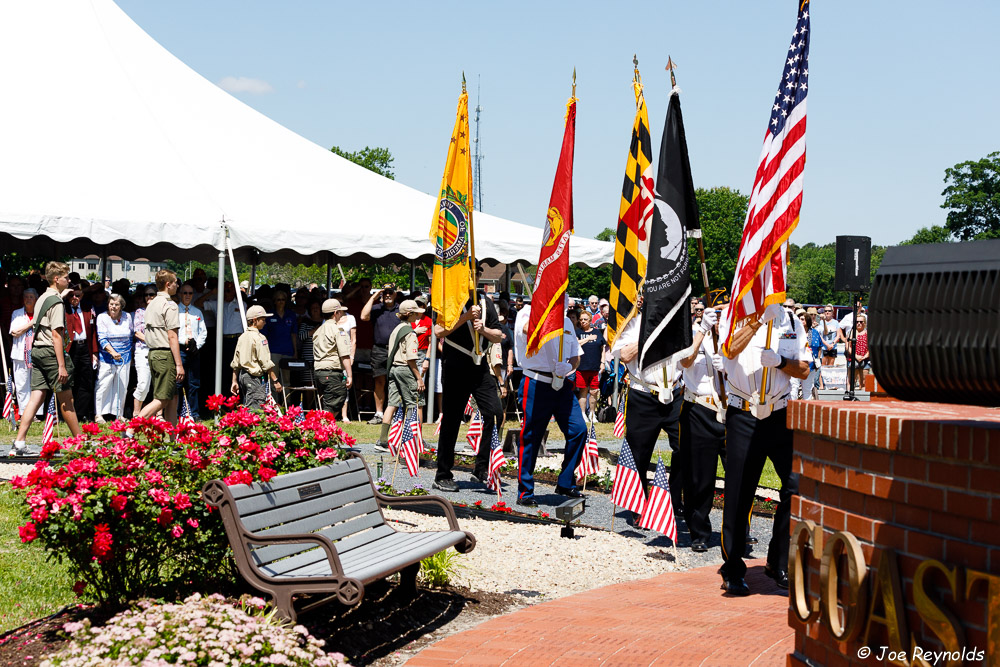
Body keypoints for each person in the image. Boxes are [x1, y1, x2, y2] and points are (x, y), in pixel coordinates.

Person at [719, 304, 810, 595]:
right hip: (744, 412)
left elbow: (805, 370)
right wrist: (759, 321)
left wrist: (781, 361)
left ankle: (778, 561)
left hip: (780, 415)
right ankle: (733, 568)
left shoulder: (792, 321)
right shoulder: (734, 313)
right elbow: (730, 349)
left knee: (797, 485)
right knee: (739, 492)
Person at [610, 298, 686, 513]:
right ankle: (638, 503)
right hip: (644, 394)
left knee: (685, 446)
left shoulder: (679, 323)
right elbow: (624, 355)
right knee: (639, 453)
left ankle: (674, 499)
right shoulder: (632, 324)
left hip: (674, 393)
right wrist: (650, 331)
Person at [513, 299, 587, 506]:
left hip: (562, 383)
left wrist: (570, 367)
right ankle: (525, 491)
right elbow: (528, 330)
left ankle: (565, 481)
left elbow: (576, 356)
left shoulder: (567, 322)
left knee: (578, 430)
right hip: (536, 382)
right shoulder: (528, 312)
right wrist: (550, 316)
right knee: (531, 437)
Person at [433, 278, 504, 492]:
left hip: (479, 366)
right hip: (455, 366)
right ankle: (442, 474)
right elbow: (438, 331)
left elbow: (499, 335)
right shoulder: (450, 300)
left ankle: (481, 468)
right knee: (452, 420)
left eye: (475, 275)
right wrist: (464, 317)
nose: (472, 280)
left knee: (495, 413)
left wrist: (482, 330)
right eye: (469, 275)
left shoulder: (486, 302)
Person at [9, 262, 82, 455]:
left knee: (36, 396)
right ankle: (81, 442)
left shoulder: (42, 298)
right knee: (66, 398)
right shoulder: (56, 302)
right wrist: (61, 365)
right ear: (57, 279)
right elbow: (57, 334)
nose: (69, 280)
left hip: (38, 350)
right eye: (66, 277)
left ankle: (19, 442)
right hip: (51, 351)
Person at [678, 306, 727, 552]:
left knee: (740, 474)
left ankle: (740, 530)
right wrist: (702, 332)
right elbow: (686, 360)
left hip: (733, 409)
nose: (718, 318)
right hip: (700, 409)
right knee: (699, 477)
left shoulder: (733, 334)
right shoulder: (691, 334)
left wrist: (729, 365)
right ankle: (699, 531)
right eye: (714, 314)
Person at [133, 270, 183, 428]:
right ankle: (132, 428)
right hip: (164, 353)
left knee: (172, 397)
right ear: (168, 285)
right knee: (162, 399)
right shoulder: (170, 305)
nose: (177, 285)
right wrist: (179, 364)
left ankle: (173, 439)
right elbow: (172, 336)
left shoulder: (151, 303)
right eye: (175, 282)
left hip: (153, 353)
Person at [377, 300, 426, 447]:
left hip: (393, 369)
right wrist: (419, 378)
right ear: (410, 314)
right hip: (405, 369)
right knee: (416, 403)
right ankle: (415, 440)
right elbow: (411, 359)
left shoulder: (397, 328)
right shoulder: (410, 334)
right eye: (416, 313)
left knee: (391, 403)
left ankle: (383, 439)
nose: (418, 315)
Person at [361, 283, 400, 426]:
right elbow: (363, 316)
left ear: (395, 294)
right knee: (379, 381)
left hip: (397, 350)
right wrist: (374, 297)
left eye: (390, 292)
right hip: (379, 350)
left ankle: (396, 414)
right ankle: (379, 413)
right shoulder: (377, 308)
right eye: (385, 293)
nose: (388, 295)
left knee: (396, 382)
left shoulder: (400, 309)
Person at [230, 305, 282, 410]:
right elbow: (265, 362)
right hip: (254, 378)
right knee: (256, 410)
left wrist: (234, 381)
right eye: (263, 319)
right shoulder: (260, 338)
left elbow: (236, 362)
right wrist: (275, 381)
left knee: (248, 405)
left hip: (243, 376)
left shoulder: (242, 337)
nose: (265, 322)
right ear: (255, 320)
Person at [94, 294, 133, 421]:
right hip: (107, 357)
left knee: (122, 386)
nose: (113, 307)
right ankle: (99, 414)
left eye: (116, 304)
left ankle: (119, 414)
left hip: (124, 357)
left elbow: (131, 336)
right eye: (111, 304)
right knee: (103, 384)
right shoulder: (102, 317)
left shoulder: (127, 317)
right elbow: (102, 338)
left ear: (121, 306)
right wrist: (112, 352)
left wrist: (128, 353)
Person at [312, 299, 353, 415]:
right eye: (340, 311)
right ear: (336, 313)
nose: (342, 314)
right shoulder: (338, 330)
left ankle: (323, 427)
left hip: (319, 371)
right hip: (332, 371)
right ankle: (322, 429)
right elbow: (344, 355)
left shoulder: (318, 331)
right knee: (334, 402)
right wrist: (349, 375)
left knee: (327, 401)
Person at [64, 287, 98, 422]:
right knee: (69, 381)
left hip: (85, 348)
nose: (74, 298)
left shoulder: (87, 309)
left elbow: (94, 332)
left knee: (86, 381)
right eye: (71, 295)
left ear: (82, 296)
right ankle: (65, 413)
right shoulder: (63, 310)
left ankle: (81, 412)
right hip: (70, 349)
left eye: (77, 295)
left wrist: (94, 352)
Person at [176, 283, 207, 419]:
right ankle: (177, 413)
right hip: (180, 349)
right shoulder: (175, 311)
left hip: (194, 350)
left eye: (190, 293)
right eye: (185, 293)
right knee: (178, 382)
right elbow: (172, 332)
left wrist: (197, 346)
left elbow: (203, 332)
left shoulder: (197, 312)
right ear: (179, 294)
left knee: (194, 382)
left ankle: (194, 413)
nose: (187, 296)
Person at [8, 288, 38, 418]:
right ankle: (24, 413)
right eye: (26, 297)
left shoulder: (40, 313)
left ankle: (35, 414)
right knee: (21, 385)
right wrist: (31, 323)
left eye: (31, 297)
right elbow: (14, 332)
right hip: (20, 354)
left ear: (36, 299)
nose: (28, 299)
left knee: (36, 385)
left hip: (37, 354)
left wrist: (24, 328)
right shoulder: (17, 313)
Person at [262, 289, 297, 388]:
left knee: (286, 381)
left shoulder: (291, 315)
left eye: (283, 299)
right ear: (274, 301)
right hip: (273, 351)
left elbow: (293, 334)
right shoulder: (269, 315)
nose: (281, 302)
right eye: (278, 299)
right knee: (274, 380)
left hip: (287, 351)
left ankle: (287, 402)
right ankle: (274, 403)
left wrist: (295, 351)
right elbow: (264, 335)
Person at [575, 311, 603, 422]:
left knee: (594, 391)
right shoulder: (577, 332)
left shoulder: (597, 332)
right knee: (583, 391)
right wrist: (588, 338)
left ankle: (592, 413)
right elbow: (576, 344)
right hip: (581, 367)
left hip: (595, 367)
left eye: (585, 319)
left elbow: (602, 348)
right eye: (581, 319)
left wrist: (603, 362)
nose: (583, 321)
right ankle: (582, 414)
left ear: (590, 320)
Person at [131, 286, 155, 417]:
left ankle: (159, 415)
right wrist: (153, 341)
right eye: (146, 295)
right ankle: (136, 414)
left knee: (158, 385)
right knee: (143, 384)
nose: (149, 297)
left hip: (158, 350)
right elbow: (137, 333)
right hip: (143, 350)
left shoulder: (161, 311)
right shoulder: (140, 312)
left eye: (152, 294)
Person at [847, 314, 869, 389]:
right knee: (852, 381)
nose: (859, 323)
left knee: (863, 382)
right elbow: (848, 346)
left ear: (864, 323)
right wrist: (855, 356)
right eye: (857, 322)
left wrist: (864, 356)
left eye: (861, 322)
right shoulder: (851, 333)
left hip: (865, 359)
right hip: (854, 358)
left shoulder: (868, 333)